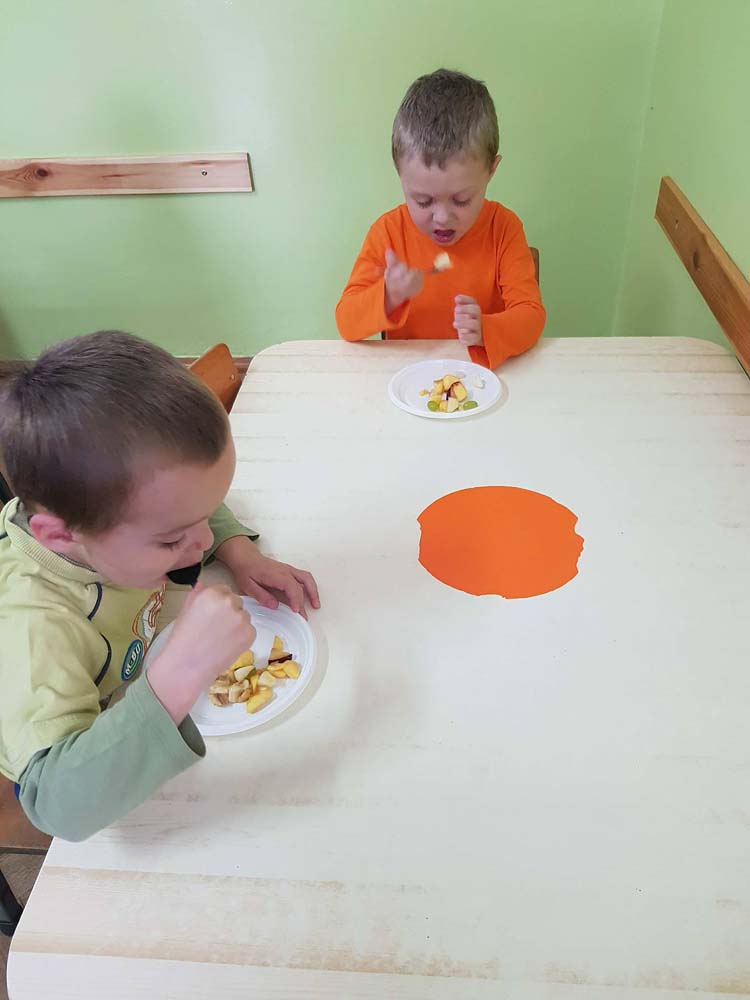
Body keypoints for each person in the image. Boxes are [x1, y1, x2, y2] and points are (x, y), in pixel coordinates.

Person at [0, 330, 319, 840]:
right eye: (171, 540)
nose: (200, 542)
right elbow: (58, 807)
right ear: (59, 536)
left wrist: (239, 551)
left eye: (201, 522)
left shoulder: (108, 517)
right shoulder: (32, 630)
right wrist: (179, 674)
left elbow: (188, 505)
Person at [336, 68, 546, 370]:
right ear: (399, 173)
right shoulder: (388, 234)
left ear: (491, 171)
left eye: (462, 200)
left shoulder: (503, 229)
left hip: (482, 379)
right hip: (409, 382)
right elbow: (346, 320)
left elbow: (531, 316)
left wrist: (486, 329)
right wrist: (388, 295)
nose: (443, 218)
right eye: (423, 201)